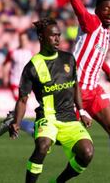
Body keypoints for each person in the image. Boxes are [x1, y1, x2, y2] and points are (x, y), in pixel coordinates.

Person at [0, 0, 110, 183]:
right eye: (106, 8)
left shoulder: (105, 31)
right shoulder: (93, 22)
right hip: (72, 90)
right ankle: (21, 123)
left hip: (93, 89)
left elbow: (95, 55)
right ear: (97, 11)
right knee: (57, 139)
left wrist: (109, 71)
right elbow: (80, 13)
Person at [9, 18, 94, 183]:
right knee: (43, 145)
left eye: (59, 35)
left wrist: (82, 111)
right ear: (41, 37)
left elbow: (75, 85)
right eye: (53, 36)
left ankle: (58, 182)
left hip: (69, 118)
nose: (57, 39)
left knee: (87, 152)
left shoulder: (68, 59)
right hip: (47, 117)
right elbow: (22, 100)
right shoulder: (32, 66)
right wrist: (16, 122)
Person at [0, 32, 34, 137]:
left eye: (24, 39)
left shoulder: (30, 53)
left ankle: (12, 120)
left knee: (21, 103)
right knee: (21, 101)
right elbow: (5, 64)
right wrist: (4, 77)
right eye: (21, 39)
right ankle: (14, 123)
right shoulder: (13, 52)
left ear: (27, 40)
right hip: (14, 81)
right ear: (19, 40)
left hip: (26, 82)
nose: (23, 41)